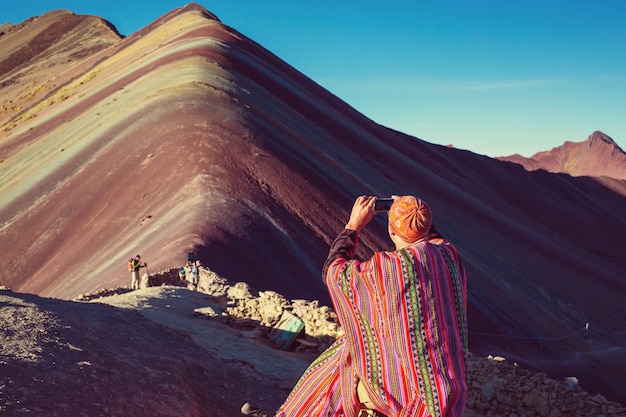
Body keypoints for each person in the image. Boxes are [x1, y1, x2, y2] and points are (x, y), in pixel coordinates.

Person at [242, 195, 468, 417]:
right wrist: (414, 213)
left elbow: (333, 272)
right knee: (345, 352)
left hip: (403, 393)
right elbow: (436, 238)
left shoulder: (387, 268)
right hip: (445, 390)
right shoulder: (447, 256)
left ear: (391, 231)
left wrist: (353, 226)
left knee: (340, 369)